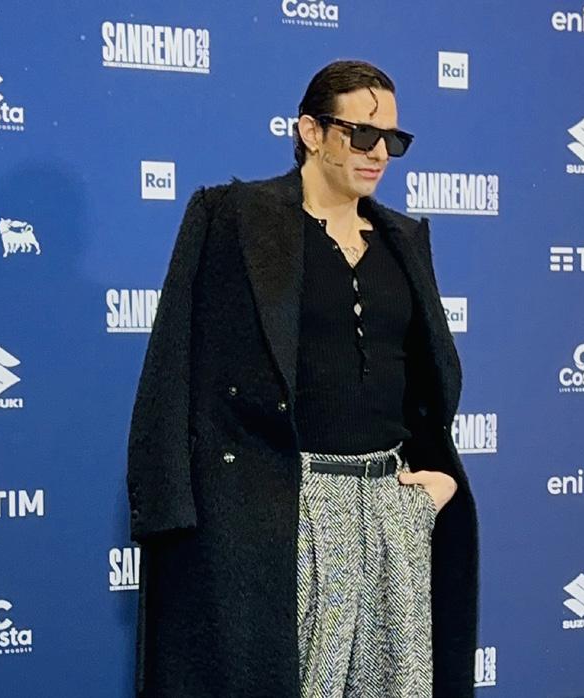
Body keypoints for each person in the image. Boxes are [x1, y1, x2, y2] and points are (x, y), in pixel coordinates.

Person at [127, 59, 479, 698]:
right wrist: (167, 514)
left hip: (392, 505)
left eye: (393, 140)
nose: (380, 154)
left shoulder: (404, 239)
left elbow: (424, 381)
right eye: (362, 134)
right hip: (284, 508)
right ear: (311, 132)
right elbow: (171, 364)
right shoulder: (232, 219)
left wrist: (432, 490)